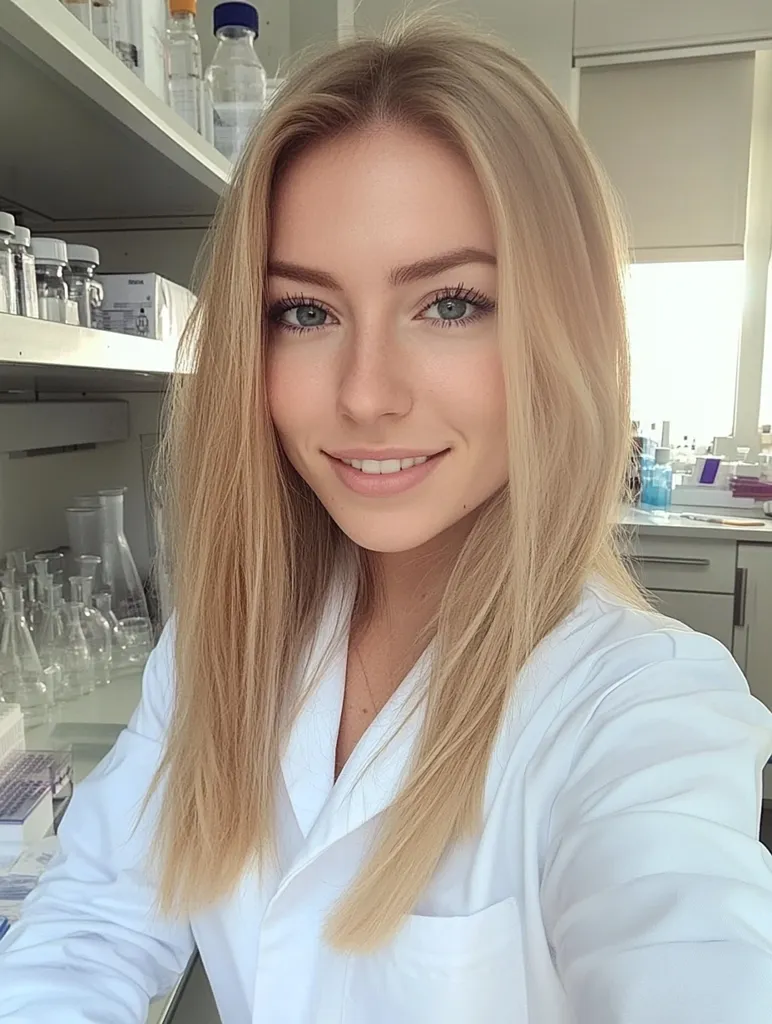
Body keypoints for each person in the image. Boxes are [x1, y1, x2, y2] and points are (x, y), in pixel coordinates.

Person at [2, 16, 772, 1024]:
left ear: (564, 330)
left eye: (449, 304)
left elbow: (693, 945)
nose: (366, 395)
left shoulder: (639, 710)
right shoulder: (221, 645)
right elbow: (89, 926)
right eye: (306, 312)